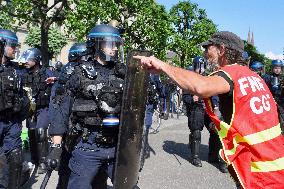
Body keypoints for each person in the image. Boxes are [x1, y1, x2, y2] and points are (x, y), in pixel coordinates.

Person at [135, 31, 284, 189]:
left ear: (222, 50)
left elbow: (201, 86)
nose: (205, 54)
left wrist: (163, 65)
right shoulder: (254, 77)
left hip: (259, 174)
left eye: (208, 48)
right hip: (274, 164)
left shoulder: (231, 74)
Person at [46, 24, 125, 188]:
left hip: (117, 146)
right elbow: (62, 110)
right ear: (97, 45)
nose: (115, 48)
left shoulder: (123, 74)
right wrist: (56, 145)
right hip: (88, 147)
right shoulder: (79, 73)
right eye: (110, 44)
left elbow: (134, 112)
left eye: (117, 44)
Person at [0, 29, 30, 189]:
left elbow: (22, 96)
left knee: (15, 158)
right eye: (12, 45)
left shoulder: (17, 70)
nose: (16, 49)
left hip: (12, 122)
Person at [18, 48, 54, 174]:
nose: (26, 61)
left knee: (41, 132)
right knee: (32, 133)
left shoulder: (48, 73)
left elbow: (60, 83)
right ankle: (34, 159)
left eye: (29, 59)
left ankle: (43, 161)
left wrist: (56, 81)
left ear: (37, 60)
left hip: (44, 108)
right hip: (30, 109)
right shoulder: (23, 74)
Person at [183, 56, 207, 167]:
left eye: (203, 66)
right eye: (199, 66)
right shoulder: (189, 79)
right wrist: (192, 99)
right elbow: (185, 98)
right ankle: (195, 157)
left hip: (208, 109)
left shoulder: (208, 78)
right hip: (195, 109)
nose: (201, 69)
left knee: (216, 131)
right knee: (196, 132)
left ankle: (214, 156)